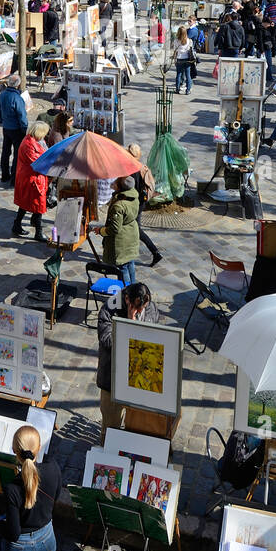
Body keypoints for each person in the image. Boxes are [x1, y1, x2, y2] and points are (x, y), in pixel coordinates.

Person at [96, 282, 158, 431]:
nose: (141, 311)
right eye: (137, 308)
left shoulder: (150, 308)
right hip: (112, 379)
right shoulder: (109, 310)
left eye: (143, 308)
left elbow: (153, 338)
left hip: (138, 380)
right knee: (110, 426)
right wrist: (129, 326)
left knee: (136, 426)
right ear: (127, 299)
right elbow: (107, 340)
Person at [12, 121, 49, 241]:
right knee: (38, 205)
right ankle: (38, 233)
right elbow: (38, 163)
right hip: (33, 180)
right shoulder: (29, 145)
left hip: (30, 178)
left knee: (25, 204)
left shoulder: (30, 141)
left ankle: (17, 225)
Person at [127, 142, 163, 266]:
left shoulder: (133, 169)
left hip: (135, 203)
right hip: (141, 201)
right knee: (133, 228)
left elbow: (133, 189)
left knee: (136, 229)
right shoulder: (141, 166)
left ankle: (155, 252)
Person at [102, 174, 140, 287]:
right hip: (131, 233)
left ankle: (126, 292)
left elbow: (114, 228)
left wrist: (101, 231)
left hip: (121, 240)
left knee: (123, 267)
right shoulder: (133, 195)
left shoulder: (119, 205)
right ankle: (133, 289)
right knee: (130, 263)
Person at [0, 74, 28, 185]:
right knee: (17, 154)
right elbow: (21, 116)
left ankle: (4, 175)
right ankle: (14, 179)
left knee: (5, 152)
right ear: (18, 84)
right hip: (16, 129)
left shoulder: (2, 95)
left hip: (6, 127)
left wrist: (2, 120)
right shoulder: (17, 98)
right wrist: (24, 129)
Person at [173, 25, 196, 96]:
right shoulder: (189, 41)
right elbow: (191, 50)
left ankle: (177, 89)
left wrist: (174, 59)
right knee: (188, 75)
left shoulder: (176, 40)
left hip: (179, 59)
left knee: (178, 75)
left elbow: (175, 51)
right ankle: (188, 90)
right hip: (187, 59)